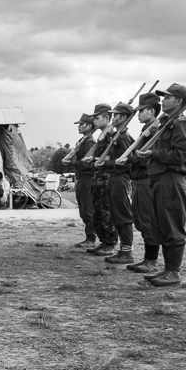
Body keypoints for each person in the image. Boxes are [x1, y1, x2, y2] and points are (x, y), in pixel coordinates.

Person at [136, 83, 186, 286]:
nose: (163, 100)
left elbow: (180, 155)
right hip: (159, 179)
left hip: (171, 179)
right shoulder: (166, 123)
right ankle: (167, 268)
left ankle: (174, 271)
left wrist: (154, 153)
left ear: (179, 101)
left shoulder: (180, 124)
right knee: (161, 225)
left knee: (172, 227)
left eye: (168, 97)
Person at [123, 92, 161, 273]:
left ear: (152, 111)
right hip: (138, 180)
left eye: (142, 111)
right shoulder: (146, 129)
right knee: (140, 220)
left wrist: (131, 158)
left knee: (147, 221)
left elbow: (147, 158)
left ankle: (152, 261)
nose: (138, 114)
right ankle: (147, 258)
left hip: (146, 180)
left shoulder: (155, 130)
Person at [95, 102, 135, 264]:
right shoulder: (117, 136)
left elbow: (126, 162)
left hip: (121, 179)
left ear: (124, 117)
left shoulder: (124, 138)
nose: (114, 118)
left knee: (123, 215)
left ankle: (127, 252)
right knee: (117, 215)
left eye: (116, 115)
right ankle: (122, 250)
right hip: (114, 178)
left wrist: (104, 164)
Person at [84, 103, 118, 256]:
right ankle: (104, 241)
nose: (94, 121)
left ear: (106, 117)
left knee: (106, 212)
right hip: (97, 178)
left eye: (97, 118)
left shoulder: (112, 135)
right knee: (97, 212)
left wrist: (95, 159)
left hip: (106, 179)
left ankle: (110, 243)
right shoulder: (102, 136)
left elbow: (115, 157)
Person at [63, 113, 97, 247]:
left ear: (89, 126)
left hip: (87, 178)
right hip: (81, 178)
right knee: (83, 209)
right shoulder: (83, 141)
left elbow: (87, 163)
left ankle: (91, 237)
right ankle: (89, 236)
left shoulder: (89, 142)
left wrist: (72, 163)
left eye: (81, 124)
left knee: (88, 209)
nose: (79, 127)